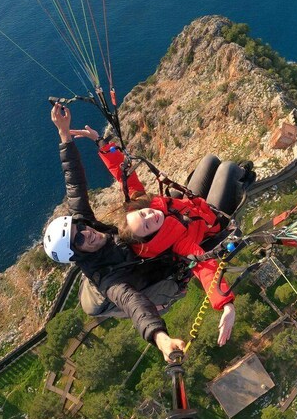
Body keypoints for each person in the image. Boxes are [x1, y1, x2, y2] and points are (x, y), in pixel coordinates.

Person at [70, 125, 253, 346]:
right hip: (212, 221)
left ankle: (230, 174)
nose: (151, 216)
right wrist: (226, 304)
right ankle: (243, 176)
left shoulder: (141, 206)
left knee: (209, 160)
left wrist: (101, 143)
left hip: (190, 206)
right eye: (148, 226)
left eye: (144, 214)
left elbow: (124, 175)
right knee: (228, 169)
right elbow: (204, 267)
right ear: (150, 236)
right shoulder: (177, 243)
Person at [43, 103, 185, 360]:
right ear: (77, 255)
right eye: (80, 239)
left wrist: (64, 135)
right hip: (150, 274)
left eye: (81, 227)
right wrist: (161, 338)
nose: (87, 232)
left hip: (138, 252)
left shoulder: (86, 227)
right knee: (178, 264)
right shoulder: (108, 280)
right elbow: (134, 305)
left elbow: (74, 184)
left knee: (173, 203)